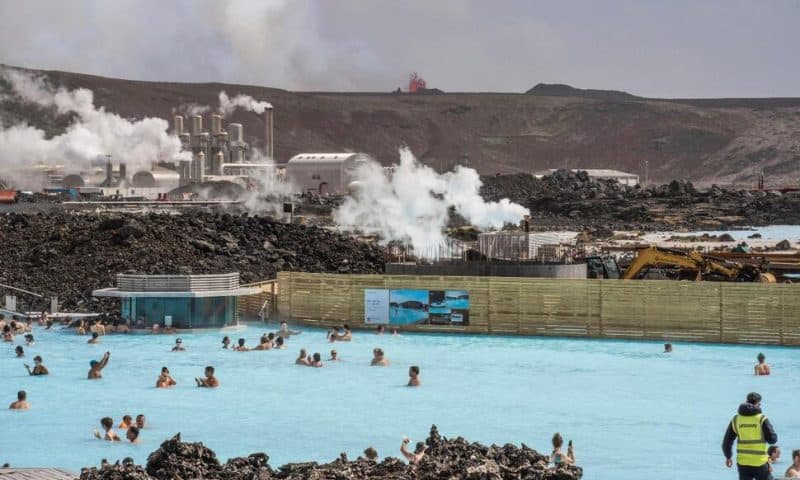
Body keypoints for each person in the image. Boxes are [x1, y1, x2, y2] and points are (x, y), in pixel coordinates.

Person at [722, 392, 778, 480]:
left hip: (743, 463)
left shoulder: (736, 419)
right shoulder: (761, 418)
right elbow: (772, 440)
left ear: (746, 401)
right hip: (760, 462)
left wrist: (728, 456)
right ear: (758, 404)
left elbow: (727, 441)